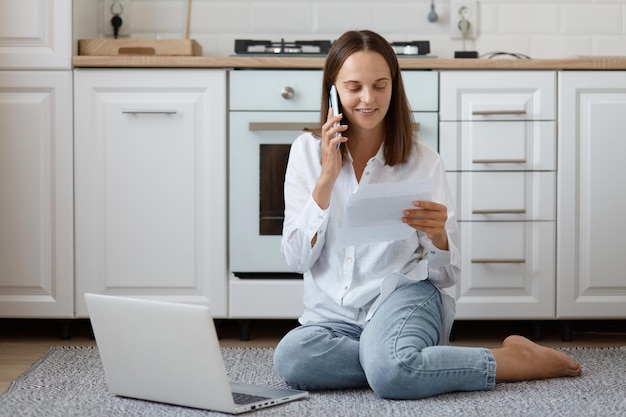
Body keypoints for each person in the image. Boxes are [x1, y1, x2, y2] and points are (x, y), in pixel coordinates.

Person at [273, 29, 582, 400]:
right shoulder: (305, 153)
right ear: (332, 91)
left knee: (391, 373)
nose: (368, 99)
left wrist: (439, 238)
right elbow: (296, 259)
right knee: (292, 359)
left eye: (380, 85)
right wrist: (325, 180)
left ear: (394, 87)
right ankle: (399, 359)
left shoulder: (423, 160)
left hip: (403, 296)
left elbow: (446, 275)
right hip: (334, 317)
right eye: (354, 87)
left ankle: (510, 361)